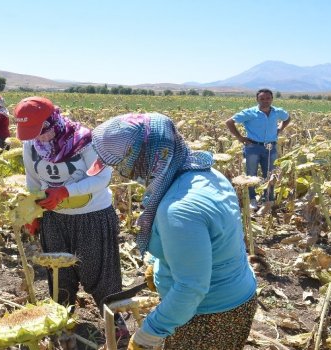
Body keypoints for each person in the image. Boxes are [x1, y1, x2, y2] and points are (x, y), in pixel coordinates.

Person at [87, 113, 257, 350]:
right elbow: (216, 242)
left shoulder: (178, 209)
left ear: (145, 157)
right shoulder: (205, 173)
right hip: (235, 296)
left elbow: (192, 287)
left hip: (208, 316)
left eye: (121, 164)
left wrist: (150, 333)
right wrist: (159, 267)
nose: (120, 172)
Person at [14, 96, 128, 338]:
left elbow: (101, 178)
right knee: (59, 276)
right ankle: (63, 326)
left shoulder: (86, 141)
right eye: (32, 133)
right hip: (54, 218)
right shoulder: (31, 145)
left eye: (41, 130)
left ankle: (115, 325)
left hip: (92, 216)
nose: (39, 137)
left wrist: (66, 191)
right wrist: (33, 210)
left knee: (100, 274)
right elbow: (32, 180)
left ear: (53, 120)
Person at [225, 89, 291, 209]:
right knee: (251, 175)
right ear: (257, 100)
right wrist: (240, 137)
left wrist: (279, 129)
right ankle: (252, 199)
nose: (265, 101)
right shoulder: (250, 113)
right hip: (253, 147)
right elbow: (229, 122)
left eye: (268, 98)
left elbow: (287, 118)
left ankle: (269, 198)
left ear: (272, 99)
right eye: (262, 99)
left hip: (271, 147)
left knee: (270, 174)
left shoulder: (277, 112)